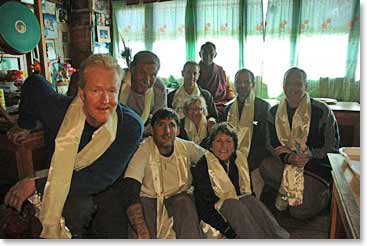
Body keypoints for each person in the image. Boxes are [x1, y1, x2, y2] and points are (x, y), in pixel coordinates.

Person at [5, 54, 144, 238]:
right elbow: (34, 83)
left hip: (104, 182)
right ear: (81, 93)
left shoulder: (129, 126)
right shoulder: (59, 109)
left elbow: (99, 177)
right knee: (73, 210)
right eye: (96, 91)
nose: (105, 100)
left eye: (112, 91)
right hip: (58, 174)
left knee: (108, 220)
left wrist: (36, 184)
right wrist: (25, 123)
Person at [259, 67, 340, 220]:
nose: (293, 88)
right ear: (283, 87)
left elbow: (333, 147)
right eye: (289, 84)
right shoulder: (274, 112)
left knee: (298, 212)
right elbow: (270, 144)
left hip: (314, 168)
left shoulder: (322, 111)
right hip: (286, 164)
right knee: (265, 166)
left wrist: (310, 154)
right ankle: (290, 190)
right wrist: (288, 157)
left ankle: (325, 195)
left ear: (306, 86)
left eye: (298, 84)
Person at [191, 122, 289, 239]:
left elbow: (248, 193)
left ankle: (279, 238)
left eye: (228, 141)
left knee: (250, 200)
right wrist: (228, 230)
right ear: (211, 145)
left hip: (239, 216)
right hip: (216, 223)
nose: (223, 146)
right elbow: (204, 209)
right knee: (233, 204)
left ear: (234, 145)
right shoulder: (203, 165)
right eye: (218, 141)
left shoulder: (238, 160)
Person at [119, 108, 206, 239]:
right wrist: (141, 230)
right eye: (161, 125)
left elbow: (211, 160)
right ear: (152, 130)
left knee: (185, 204)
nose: (167, 131)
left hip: (179, 199)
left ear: (178, 131)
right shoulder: (143, 150)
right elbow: (130, 185)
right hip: (150, 199)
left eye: (172, 125)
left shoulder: (186, 147)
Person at [224, 68, 271, 171]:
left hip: (254, 160)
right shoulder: (228, 108)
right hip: (228, 157)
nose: (242, 85)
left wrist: (248, 162)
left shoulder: (263, 107)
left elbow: (264, 140)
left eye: (246, 82)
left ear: (253, 84)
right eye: (238, 82)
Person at [119, 50, 167, 130]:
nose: (147, 81)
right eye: (142, 73)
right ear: (132, 69)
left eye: (153, 75)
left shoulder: (159, 88)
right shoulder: (117, 81)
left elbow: (159, 120)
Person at [196, 42, 235, 120]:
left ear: (215, 55)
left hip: (221, 104)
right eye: (205, 53)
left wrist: (233, 101)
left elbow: (228, 89)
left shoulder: (220, 70)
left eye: (211, 53)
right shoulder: (195, 71)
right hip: (203, 105)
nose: (208, 56)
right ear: (200, 54)